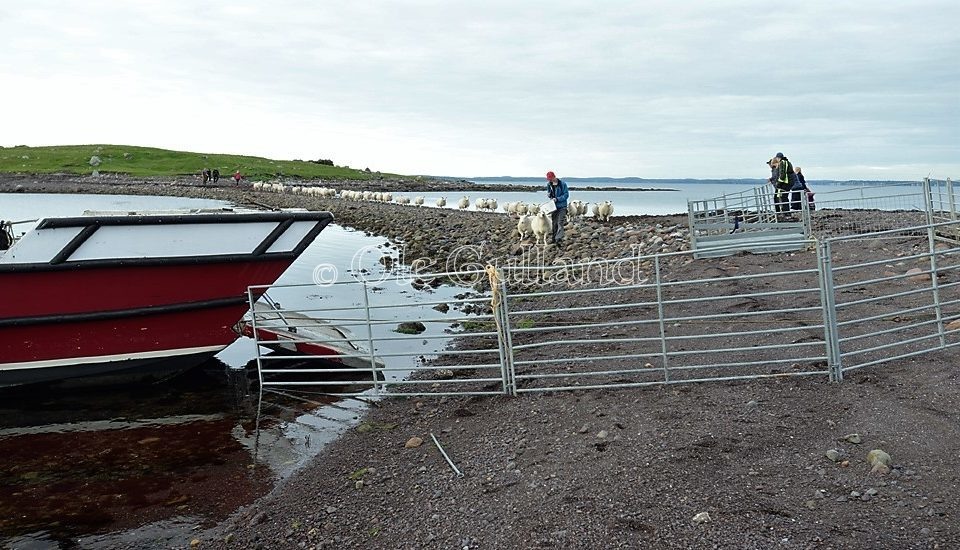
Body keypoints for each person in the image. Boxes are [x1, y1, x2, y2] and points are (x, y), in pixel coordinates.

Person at [767, 152, 798, 216]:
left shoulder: (783, 162)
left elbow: (782, 174)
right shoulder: (785, 162)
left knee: (782, 197)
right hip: (787, 182)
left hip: (786, 183)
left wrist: (779, 183)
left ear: (778, 158)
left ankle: (785, 213)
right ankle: (784, 212)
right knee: (780, 197)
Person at [546, 170, 569, 246]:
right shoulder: (549, 184)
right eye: (549, 179)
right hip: (553, 206)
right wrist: (549, 195)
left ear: (554, 177)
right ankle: (554, 238)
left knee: (560, 222)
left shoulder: (562, 184)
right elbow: (549, 193)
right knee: (554, 222)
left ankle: (558, 239)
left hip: (562, 206)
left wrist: (557, 199)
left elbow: (566, 195)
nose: (550, 180)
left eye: (550, 178)